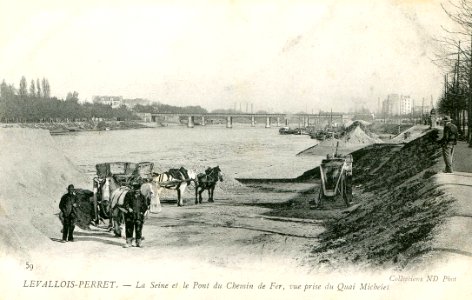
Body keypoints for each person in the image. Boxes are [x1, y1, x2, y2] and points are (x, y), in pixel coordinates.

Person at [123, 182, 147, 248]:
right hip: (129, 215)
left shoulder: (142, 197)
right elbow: (125, 203)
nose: (137, 191)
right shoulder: (128, 195)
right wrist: (128, 208)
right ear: (133, 189)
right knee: (129, 228)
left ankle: (138, 242)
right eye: (136, 190)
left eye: (138, 190)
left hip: (139, 215)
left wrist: (142, 212)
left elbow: (145, 206)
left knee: (138, 228)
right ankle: (128, 243)